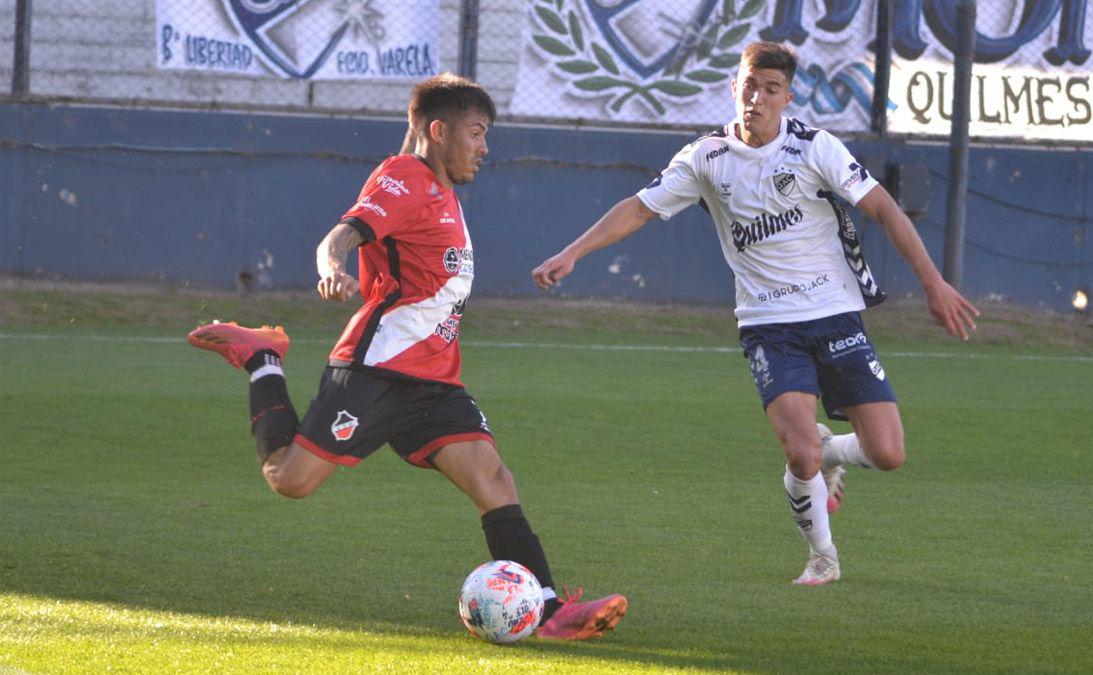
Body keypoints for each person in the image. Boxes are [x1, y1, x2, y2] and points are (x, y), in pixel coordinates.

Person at [188, 73, 627, 638]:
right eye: (477, 133)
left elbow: (412, 144)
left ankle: (547, 610)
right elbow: (340, 235)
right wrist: (332, 269)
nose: (485, 147)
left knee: (494, 479)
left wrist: (419, 119)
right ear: (440, 132)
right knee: (289, 481)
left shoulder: (436, 184)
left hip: (436, 379)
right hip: (376, 371)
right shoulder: (406, 179)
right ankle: (263, 360)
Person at [531, 42, 979, 586]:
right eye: (749, 85)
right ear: (734, 87)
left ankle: (831, 450)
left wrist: (934, 285)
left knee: (888, 454)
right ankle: (823, 557)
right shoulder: (706, 158)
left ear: (787, 97)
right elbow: (638, 208)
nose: (757, 98)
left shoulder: (816, 149)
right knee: (799, 453)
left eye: (770, 89)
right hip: (768, 325)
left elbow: (883, 207)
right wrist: (572, 252)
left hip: (835, 312)